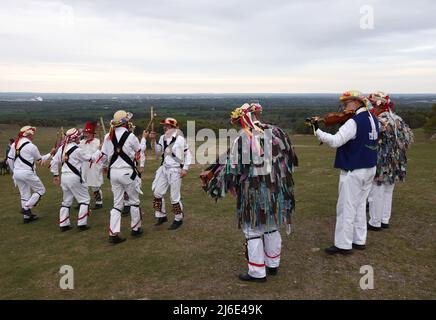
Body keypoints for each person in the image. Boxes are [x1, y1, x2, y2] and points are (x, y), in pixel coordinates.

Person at [201, 103, 298, 282]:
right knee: (271, 225)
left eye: (238, 122)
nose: (238, 126)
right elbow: (288, 158)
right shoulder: (277, 132)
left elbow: (233, 169)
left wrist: (215, 184)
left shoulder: (244, 137)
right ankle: (272, 264)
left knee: (252, 229)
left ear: (243, 119)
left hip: (254, 191)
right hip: (276, 190)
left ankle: (257, 272)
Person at [307, 90, 379, 255]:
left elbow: (335, 141)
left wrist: (316, 130)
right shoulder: (373, 118)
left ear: (356, 103)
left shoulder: (354, 122)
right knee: (360, 205)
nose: (345, 107)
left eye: (347, 103)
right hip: (370, 167)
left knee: (346, 207)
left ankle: (343, 244)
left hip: (354, 169)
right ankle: (359, 240)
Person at [97, 110, 146, 244]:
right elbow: (139, 152)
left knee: (117, 204)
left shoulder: (108, 136)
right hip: (127, 173)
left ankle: (113, 234)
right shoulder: (131, 136)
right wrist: (141, 165)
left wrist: (104, 167)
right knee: (134, 201)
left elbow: (103, 156)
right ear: (125, 122)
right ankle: (136, 229)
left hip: (113, 174)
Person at [367, 92, 414, 230]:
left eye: (372, 105)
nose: (371, 108)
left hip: (381, 160)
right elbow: (408, 139)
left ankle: (375, 222)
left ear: (379, 106)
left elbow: (372, 139)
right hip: (396, 161)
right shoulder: (398, 119)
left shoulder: (379, 120)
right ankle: (384, 220)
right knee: (388, 191)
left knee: (377, 190)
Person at [148, 118, 192, 230]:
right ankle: (161, 216)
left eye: (167, 126)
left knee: (174, 197)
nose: (164, 127)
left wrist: (185, 168)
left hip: (176, 170)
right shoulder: (162, 138)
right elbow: (158, 152)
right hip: (164, 168)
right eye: (164, 125)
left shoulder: (180, 139)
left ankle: (178, 218)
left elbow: (188, 154)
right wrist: (153, 140)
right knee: (157, 192)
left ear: (174, 128)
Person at [7, 126, 54, 223]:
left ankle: (27, 218)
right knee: (41, 190)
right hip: (27, 172)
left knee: (24, 194)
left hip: (17, 173)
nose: (33, 136)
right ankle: (26, 208)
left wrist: (14, 171)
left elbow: (9, 159)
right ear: (28, 135)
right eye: (32, 134)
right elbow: (40, 160)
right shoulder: (31, 146)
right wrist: (51, 153)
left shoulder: (14, 145)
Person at [50, 128, 92, 231]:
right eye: (79, 136)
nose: (80, 138)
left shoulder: (62, 148)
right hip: (74, 177)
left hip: (64, 177)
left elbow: (54, 162)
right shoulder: (77, 150)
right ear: (75, 138)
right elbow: (89, 158)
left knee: (66, 201)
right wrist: (99, 153)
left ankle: (63, 224)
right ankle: (82, 224)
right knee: (85, 200)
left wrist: (55, 175)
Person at [79, 121, 104, 210]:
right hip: (83, 166)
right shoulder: (81, 143)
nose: (86, 134)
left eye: (87, 133)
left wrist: (103, 164)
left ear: (92, 133)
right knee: (82, 184)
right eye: (85, 132)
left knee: (95, 185)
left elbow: (102, 155)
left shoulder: (97, 142)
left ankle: (99, 202)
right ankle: (82, 201)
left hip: (94, 166)